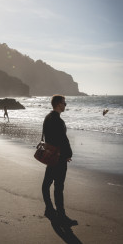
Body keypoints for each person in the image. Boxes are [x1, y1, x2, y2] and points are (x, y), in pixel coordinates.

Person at [42, 95, 73, 223]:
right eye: (64, 103)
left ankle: (49, 209)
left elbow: (47, 137)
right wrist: (68, 154)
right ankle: (61, 216)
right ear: (58, 104)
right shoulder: (58, 121)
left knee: (46, 184)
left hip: (50, 155)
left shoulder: (48, 117)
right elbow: (63, 140)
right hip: (59, 157)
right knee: (58, 187)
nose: (65, 105)